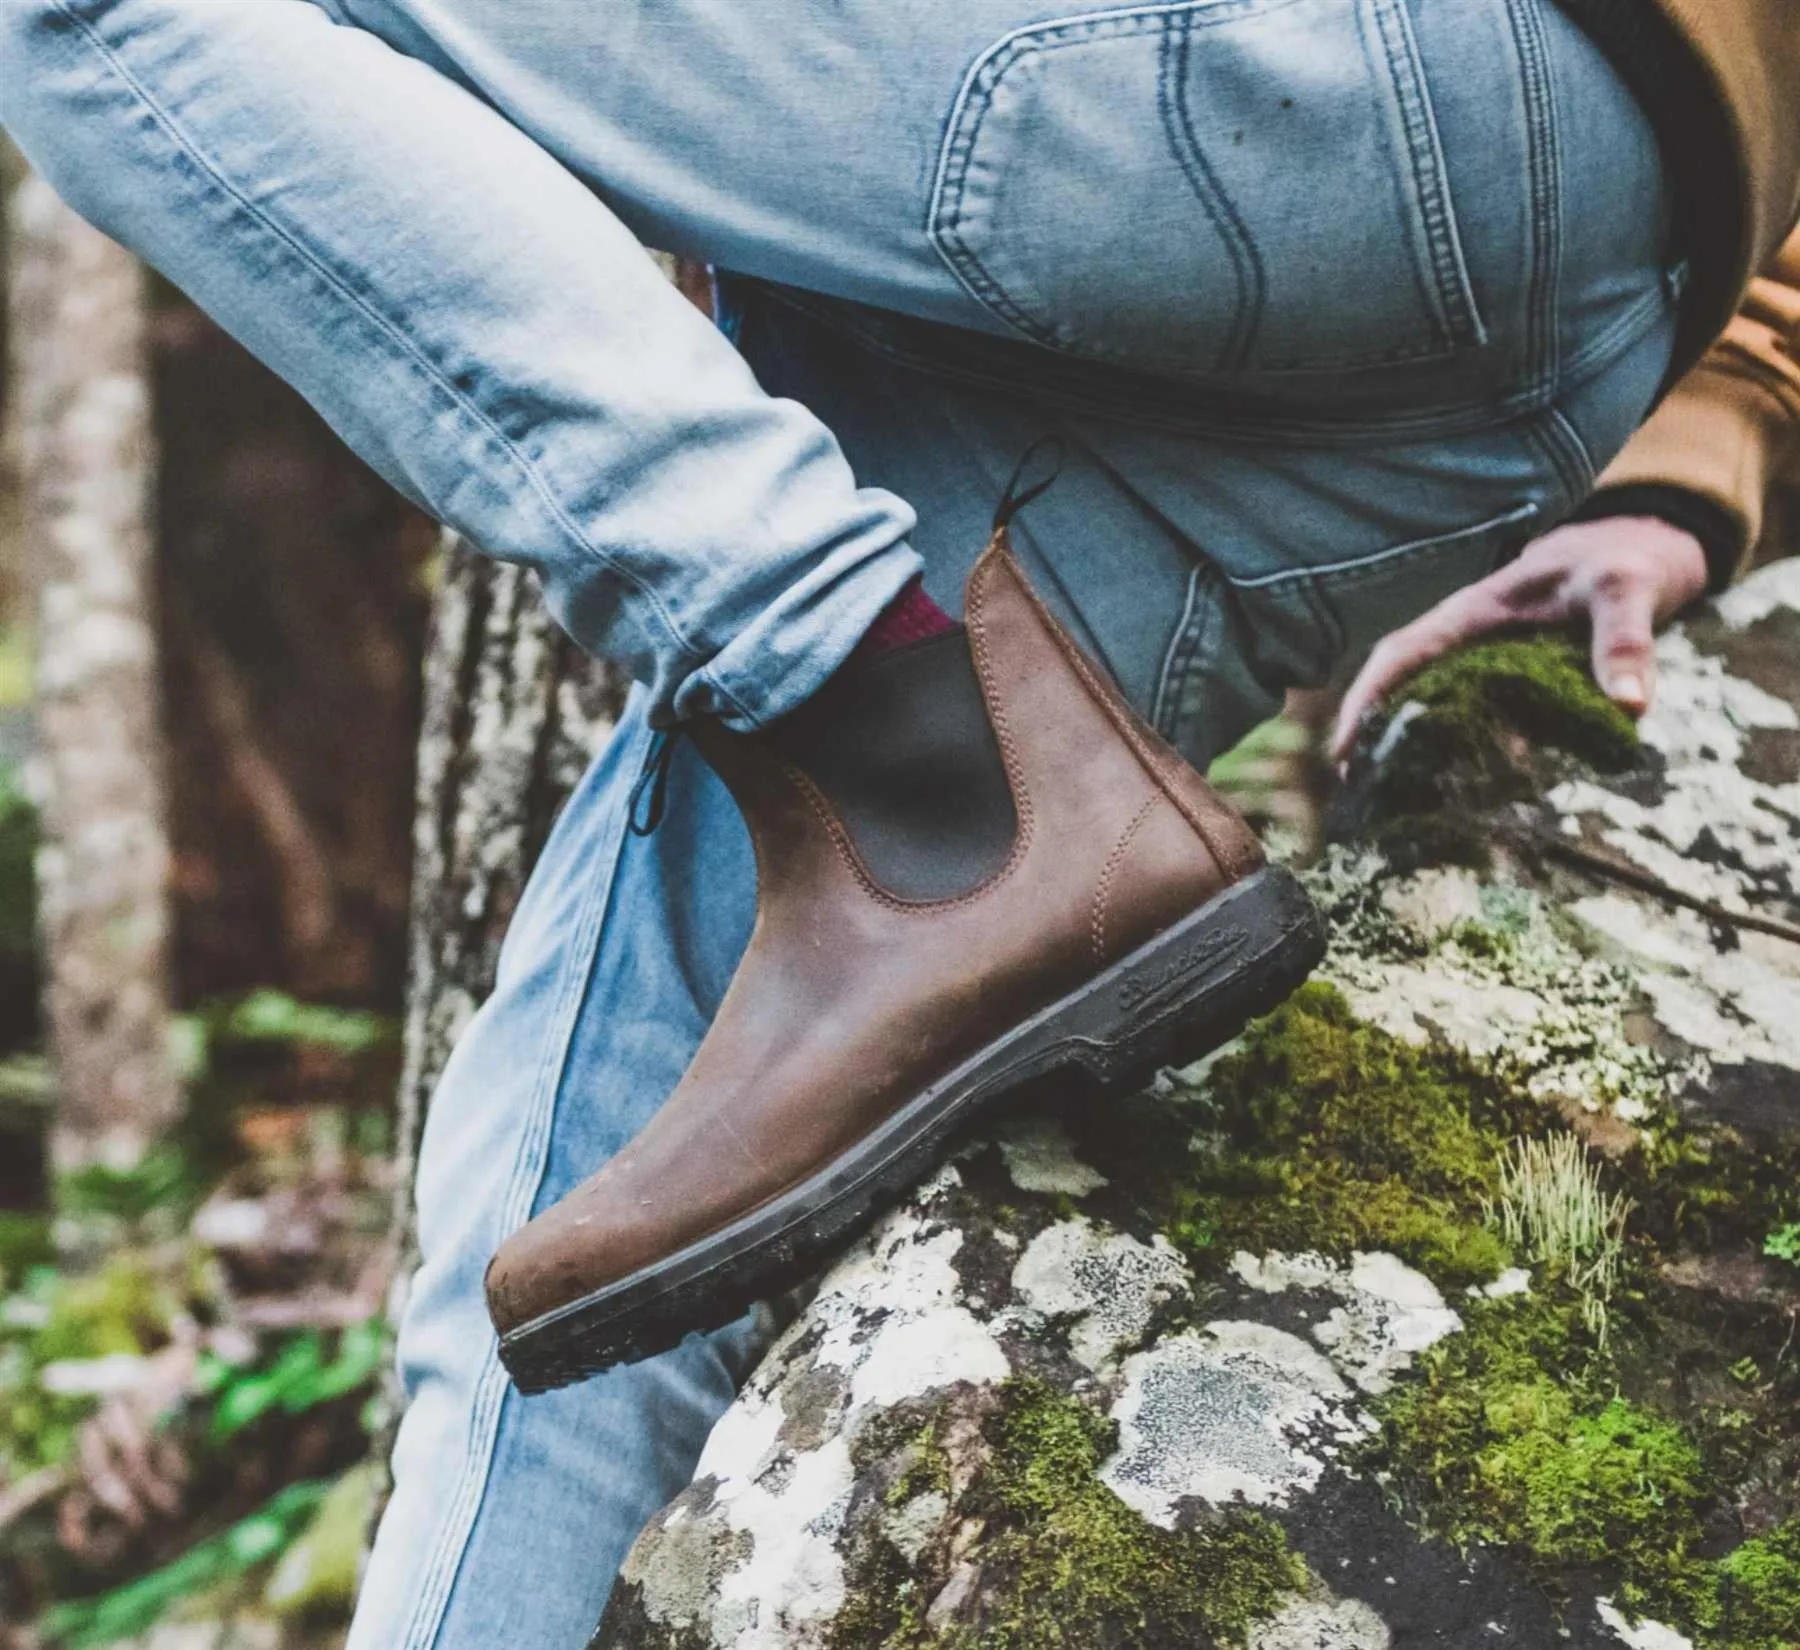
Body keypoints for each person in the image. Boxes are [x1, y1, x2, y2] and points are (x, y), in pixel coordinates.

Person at [2, 0, 1795, 1644]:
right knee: (568, 1262)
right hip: (1544, 332)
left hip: (1336, 84)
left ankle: (851, 684)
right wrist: (1713, 424)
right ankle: (941, 811)